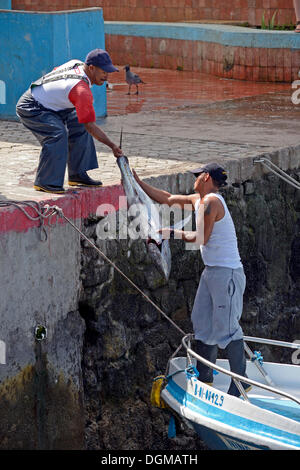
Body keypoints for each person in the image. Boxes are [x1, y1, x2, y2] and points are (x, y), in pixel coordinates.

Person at [133, 162, 250, 397]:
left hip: (227, 274)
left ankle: (241, 381)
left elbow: (201, 239)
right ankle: (205, 377)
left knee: (226, 329)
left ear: (206, 177)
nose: (193, 180)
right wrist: (136, 181)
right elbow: (166, 198)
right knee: (202, 322)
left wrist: (169, 233)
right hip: (212, 272)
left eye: (196, 176)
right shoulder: (199, 200)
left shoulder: (211, 202)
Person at [16, 49, 123, 193]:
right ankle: (46, 182)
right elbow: (91, 127)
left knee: (81, 124)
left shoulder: (77, 64)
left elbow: (56, 72)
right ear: (91, 68)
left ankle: (77, 175)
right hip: (32, 106)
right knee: (58, 134)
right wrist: (112, 145)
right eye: (104, 72)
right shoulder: (81, 90)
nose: (106, 76)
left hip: (54, 106)